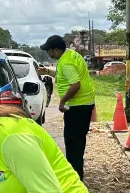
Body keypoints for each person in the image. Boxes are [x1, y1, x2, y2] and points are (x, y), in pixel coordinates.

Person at [40, 34, 96, 181]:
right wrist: (47, 71)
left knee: (73, 143)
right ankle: (77, 174)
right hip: (85, 103)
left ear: (56, 50)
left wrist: (62, 101)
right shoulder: (71, 55)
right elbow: (64, 75)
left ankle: (75, 178)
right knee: (78, 141)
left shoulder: (66, 63)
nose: (48, 53)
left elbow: (75, 85)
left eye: (49, 50)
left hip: (77, 106)